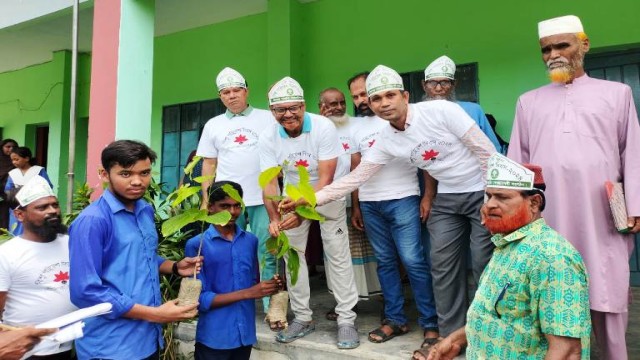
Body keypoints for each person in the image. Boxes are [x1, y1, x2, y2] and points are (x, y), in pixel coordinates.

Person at [280, 65, 497, 350]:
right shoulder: (387, 139)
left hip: (480, 190)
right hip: (447, 197)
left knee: (483, 262)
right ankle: (451, 335)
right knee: (442, 267)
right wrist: (311, 199)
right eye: (377, 99)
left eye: (390, 95)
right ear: (369, 104)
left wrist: (492, 197)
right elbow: (357, 176)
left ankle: (490, 333)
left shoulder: (442, 111)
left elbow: (486, 151)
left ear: (405, 95)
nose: (384, 104)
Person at [508, 15, 640, 359]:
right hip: (549, 219)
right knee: (552, 298)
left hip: (602, 216)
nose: (554, 54)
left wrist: (636, 206)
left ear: (584, 44)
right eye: (546, 49)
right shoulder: (528, 101)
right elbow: (518, 165)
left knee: (608, 292)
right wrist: (516, 216)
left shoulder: (617, 93)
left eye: (562, 45)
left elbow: (633, 153)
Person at [415, 154, 591, 360]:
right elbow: (499, 318)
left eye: (503, 197)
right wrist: (454, 340)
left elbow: (567, 351)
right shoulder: (506, 245)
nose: (489, 205)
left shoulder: (552, 257)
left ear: (534, 203)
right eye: (489, 196)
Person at [69, 140, 202, 360]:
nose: (137, 181)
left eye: (145, 173)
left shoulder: (145, 210)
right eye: (125, 174)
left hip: (147, 340)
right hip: (111, 347)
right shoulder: (93, 221)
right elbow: (85, 291)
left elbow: (140, 256)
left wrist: (175, 267)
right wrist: (155, 314)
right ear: (104, 174)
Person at [260, 77, 360, 349]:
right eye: (281, 109)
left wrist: (303, 212)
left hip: (328, 191)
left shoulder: (323, 126)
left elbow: (325, 178)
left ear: (304, 106)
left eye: (294, 108)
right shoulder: (269, 136)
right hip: (293, 193)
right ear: (272, 111)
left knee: (337, 253)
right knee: (294, 256)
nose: (288, 114)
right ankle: (303, 318)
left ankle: (346, 319)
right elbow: (269, 181)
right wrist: (274, 219)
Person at [345, 73, 441, 346]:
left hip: (403, 198)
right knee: (385, 262)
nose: (363, 100)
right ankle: (395, 319)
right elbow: (356, 170)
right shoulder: (355, 127)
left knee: (412, 261)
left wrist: (427, 196)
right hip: (369, 203)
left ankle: (430, 323)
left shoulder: (403, 119)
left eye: (367, 93)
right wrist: (356, 205)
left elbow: (426, 159)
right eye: (357, 96)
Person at [196, 67, 277, 315]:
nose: (232, 96)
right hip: (227, 201)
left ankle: (271, 306)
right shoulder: (213, 125)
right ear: (220, 97)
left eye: (236, 90)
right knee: (226, 250)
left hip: (264, 198)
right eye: (225, 92)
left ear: (246, 91)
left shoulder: (268, 118)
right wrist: (205, 199)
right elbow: (209, 164)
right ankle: (232, 301)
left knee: (269, 250)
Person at [185, 180, 282, 360]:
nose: (232, 212)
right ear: (211, 207)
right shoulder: (197, 245)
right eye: (225, 206)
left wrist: (269, 287)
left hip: (245, 335)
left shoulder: (250, 241)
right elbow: (199, 298)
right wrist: (250, 292)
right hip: (214, 338)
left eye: (237, 206)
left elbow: (252, 282)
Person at [318, 87, 381, 320]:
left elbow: (359, 166)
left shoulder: (356, 125)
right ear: (321, 107)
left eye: (341, 102)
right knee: (336, 256)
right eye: (330, 104)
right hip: (327, 200)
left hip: (356, 197)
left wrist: (357, 204)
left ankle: (374, 299)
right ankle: (345, 304)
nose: (337, 107)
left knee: (365, 253)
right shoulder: (316, 129)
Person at [0, 176, 76, 360]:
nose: (53, 211)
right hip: (26, 352)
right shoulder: (6, 254)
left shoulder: (73, 244)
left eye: (54, 205)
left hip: (75, 347)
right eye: (42, 207)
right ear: (20, 215)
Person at [422, 55, 501, 151]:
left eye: (444, 82)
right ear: (424, 85)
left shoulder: (473, 110)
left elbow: (493, 148)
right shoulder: (418, 115)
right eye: (432, 83)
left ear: (454, 84)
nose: (438, 88)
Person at [5, 147, 53, 236]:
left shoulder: (38, 170)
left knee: (33, 227)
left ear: (26, 158)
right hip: (17, 205)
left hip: (35, 203)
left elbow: (47, 186)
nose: (14, 162)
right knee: (16, 227)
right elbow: (8, 189)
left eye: (16, 159)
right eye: (12, 160)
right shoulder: (13, 173)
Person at [0, 139, 18, 229]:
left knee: (7, 218)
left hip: (12, 195)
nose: (11, 149)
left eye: (14, 147)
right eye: (8, 147)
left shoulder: (17, 162)